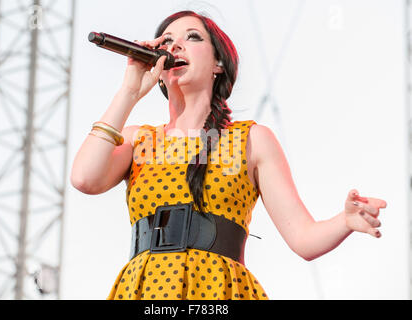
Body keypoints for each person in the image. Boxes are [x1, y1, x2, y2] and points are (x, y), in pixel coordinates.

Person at [70, 10, 387, 300]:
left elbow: (303, 238)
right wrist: (130, 91)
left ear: (218, 63)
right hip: (146, 289)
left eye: (192, 37)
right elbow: (84, 177)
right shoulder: (138, 139)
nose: (176, 45)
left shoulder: (251, 139)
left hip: (218, 290)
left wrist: (345, 221)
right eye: (167, 41)